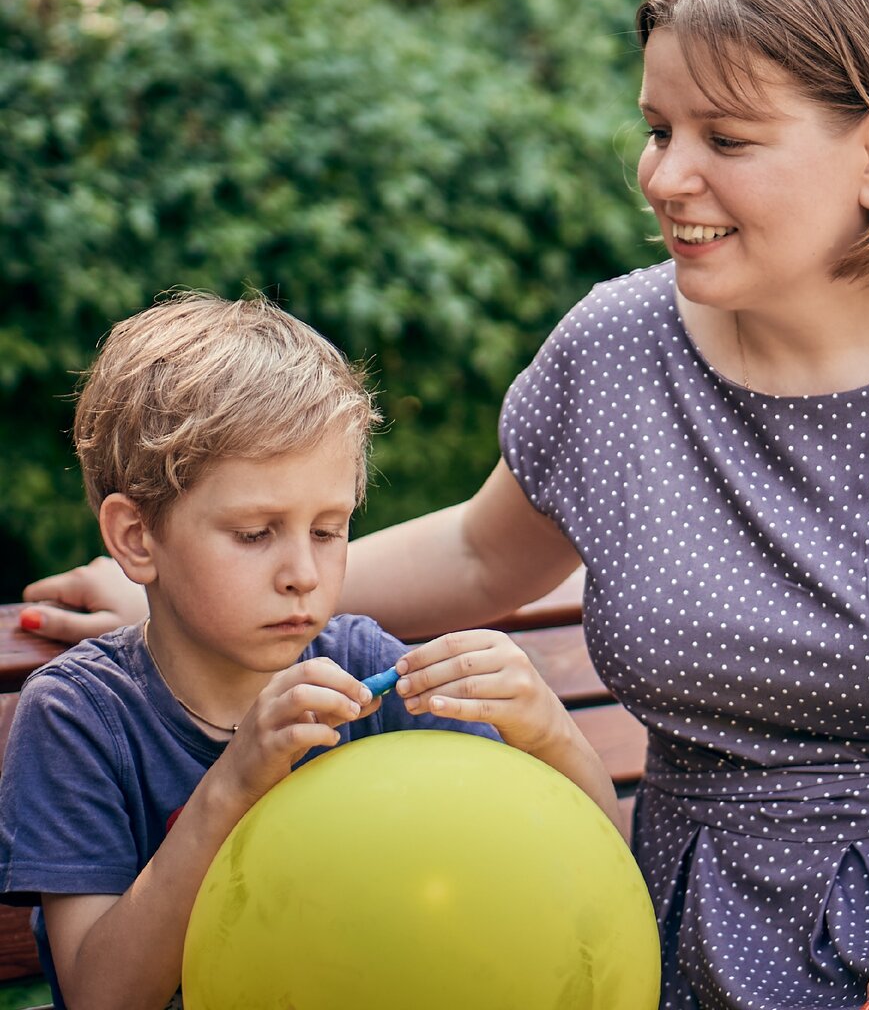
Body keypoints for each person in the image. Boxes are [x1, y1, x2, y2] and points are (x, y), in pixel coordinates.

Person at [22, 0, 869, 1010]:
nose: (663, 175)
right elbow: (485, 551)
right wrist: (168, 591)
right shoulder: (617, 351)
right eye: (658, 128)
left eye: (724, 139)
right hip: (713, 930)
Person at [0, 292, 619, 1010]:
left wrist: (552, 733)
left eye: (328, 530)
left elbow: (587, 869)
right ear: (138, 539)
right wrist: (233, 785)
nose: (303, 572)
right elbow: (101, 997)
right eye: (256, 533)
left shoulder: (366, 670)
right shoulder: (81, 717)